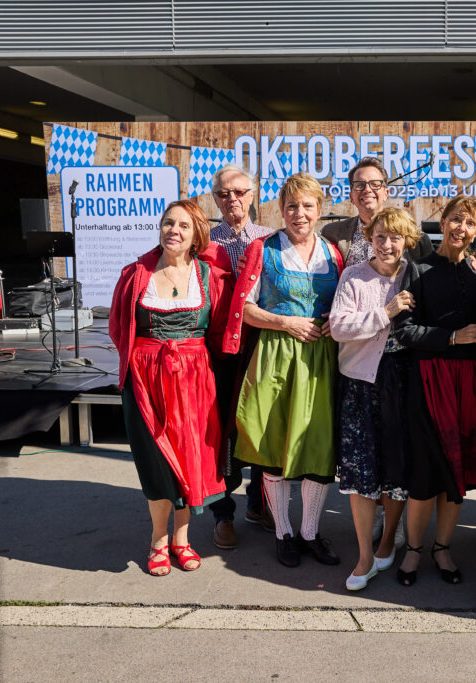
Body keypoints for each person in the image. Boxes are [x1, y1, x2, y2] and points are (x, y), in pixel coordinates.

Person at [224, 173, 344, 568]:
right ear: (281, 210)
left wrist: (332, 321)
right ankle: (283, 533)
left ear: (319, 210)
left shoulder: (334, 253)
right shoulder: (264, 249)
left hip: (321, 362)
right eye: (292, 206)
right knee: (274, 447)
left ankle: (310, 532)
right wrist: (285, 323)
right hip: (275, 357)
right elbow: (244, 308)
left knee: (318, 447)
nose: (299, 214)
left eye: (307, 206)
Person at [109, 199, 234, 576]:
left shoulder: (210, 277)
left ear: (197, 234)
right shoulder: (135, 275)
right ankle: (157, 540)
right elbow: (119, 328)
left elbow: (218, 331)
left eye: (182, 225)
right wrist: (146, 362)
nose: (173, 231)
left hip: (196, 381)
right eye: (167, 223)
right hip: (147, 380)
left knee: (188, 463)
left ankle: (182, 539)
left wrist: (194, 364)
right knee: (157, 463)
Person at [391, 195, 476, 586]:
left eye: (469, 224)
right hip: (427, 380)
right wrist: (452, 337)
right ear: (443, 221)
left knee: (456, 472)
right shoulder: (416, 269)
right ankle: (414, 550)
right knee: (424, 472)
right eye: (455, 220)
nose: (461, 229)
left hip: (468, 383)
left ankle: (443, 548)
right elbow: (403, 330)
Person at [330, 207, 421, 591]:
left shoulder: (415, 275)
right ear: (370, 239)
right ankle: (365, 556)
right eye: (380, 237)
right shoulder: (354, 276)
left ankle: (389, 540)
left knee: (397, 468)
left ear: (407, 242)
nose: (386, 245)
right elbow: (338, 327)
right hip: (361, 385)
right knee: (361, 472)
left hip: (402, 383)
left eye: (395, 238)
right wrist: (385, 311)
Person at [206, 163, 276, 550]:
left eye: (239, 192)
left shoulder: (270, 238)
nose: (232, 199)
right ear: (215, 198)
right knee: (221, 432)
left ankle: (258, 503)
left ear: (252, 194)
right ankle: (223, 514)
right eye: (223, 194)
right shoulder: (203, 241)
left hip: (260, 345)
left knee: (261, 424)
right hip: (217, 351)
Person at [322, 157, 433, 265]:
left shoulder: (414, 237)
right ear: (351, 196)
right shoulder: (332, 233)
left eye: (375, 184)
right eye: (360, 185)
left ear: (386, 194)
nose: (367, 190)